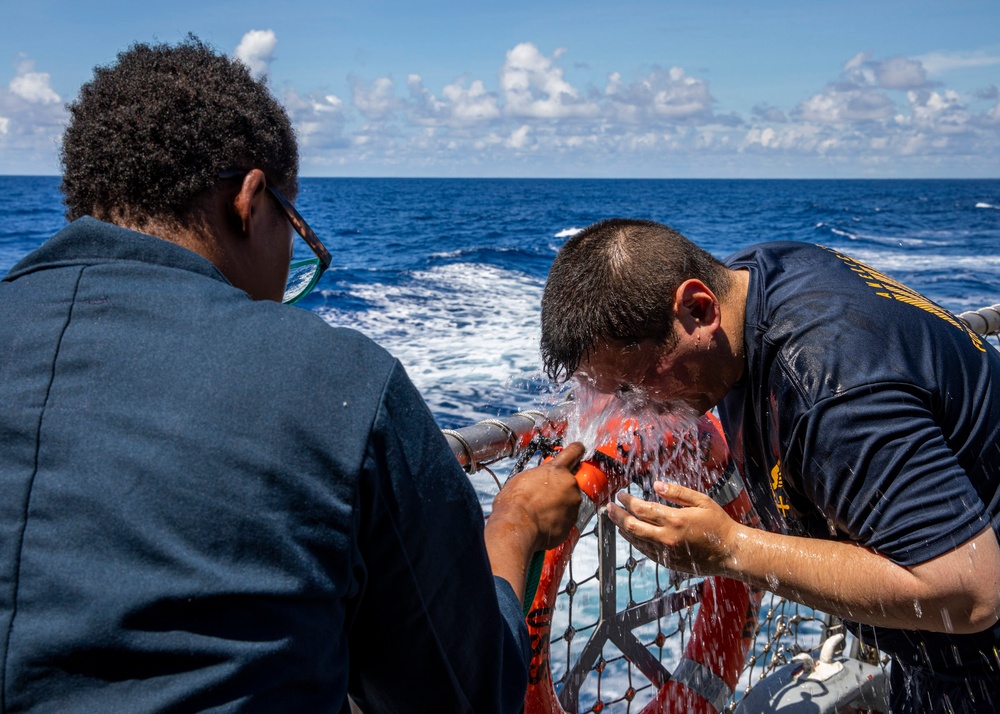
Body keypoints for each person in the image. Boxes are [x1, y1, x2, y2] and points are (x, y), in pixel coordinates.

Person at [0, 37, 584, 713]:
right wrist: (513, 523)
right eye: (295, 232)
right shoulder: (338, 381)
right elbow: (470, 693)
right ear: (250, 201)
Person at [539, 217, 1000, 713]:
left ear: (699, 308)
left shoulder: (832, 392)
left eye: (637, 384)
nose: (635, 409)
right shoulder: (757, 276)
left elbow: (968, 592)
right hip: (937, 658)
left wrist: (730, 548)